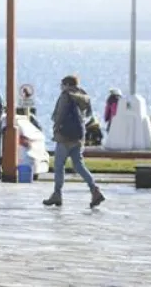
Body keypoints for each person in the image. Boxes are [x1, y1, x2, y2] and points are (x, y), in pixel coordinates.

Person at [43, 75, 105, 208]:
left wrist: (56, 128)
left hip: (65, 136)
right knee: (79, 165)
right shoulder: (83, 96)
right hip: (78, 135)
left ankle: (57, 194)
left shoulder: (66, 95)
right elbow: (88, 115)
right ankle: (94, 189)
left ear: (67, 84)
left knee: (59, 166)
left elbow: (59, 114)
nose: (61, 87)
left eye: (62, 84)